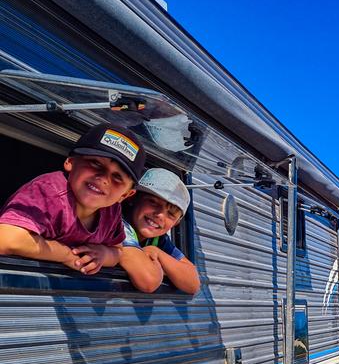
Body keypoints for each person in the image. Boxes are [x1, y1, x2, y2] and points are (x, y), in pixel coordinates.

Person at [0, 123, 145, 274]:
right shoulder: (49, 191)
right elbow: (6, 239)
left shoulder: (112, 211)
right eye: (95, 163)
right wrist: (66, 255)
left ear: (125, 195)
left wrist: (103, 254)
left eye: (117, 177)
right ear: (71, 162)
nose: (104, 179)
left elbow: (118, 251)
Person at [120, 168, 200, 294]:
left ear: (176, 223)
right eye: (153, 202)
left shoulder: (158, 240)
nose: (160, 215)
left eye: (171, 213)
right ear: (133, 197)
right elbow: (148, 281)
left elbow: (193, 283)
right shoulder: (117, 225)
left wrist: (156, 252)